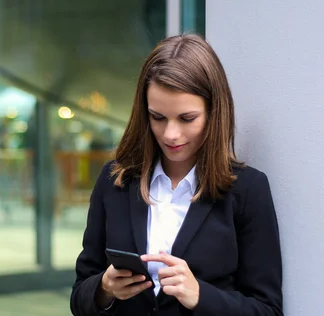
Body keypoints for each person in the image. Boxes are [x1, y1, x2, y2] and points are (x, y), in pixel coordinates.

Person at [70, 34, 282, 316]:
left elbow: (267, 310)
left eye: (187, 118)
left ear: (214, 113)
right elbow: (79, 295)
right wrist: (104, 288)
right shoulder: (114, 181)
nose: (171, 134)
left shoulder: (247, 190)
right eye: (157, 117)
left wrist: (200, 296)